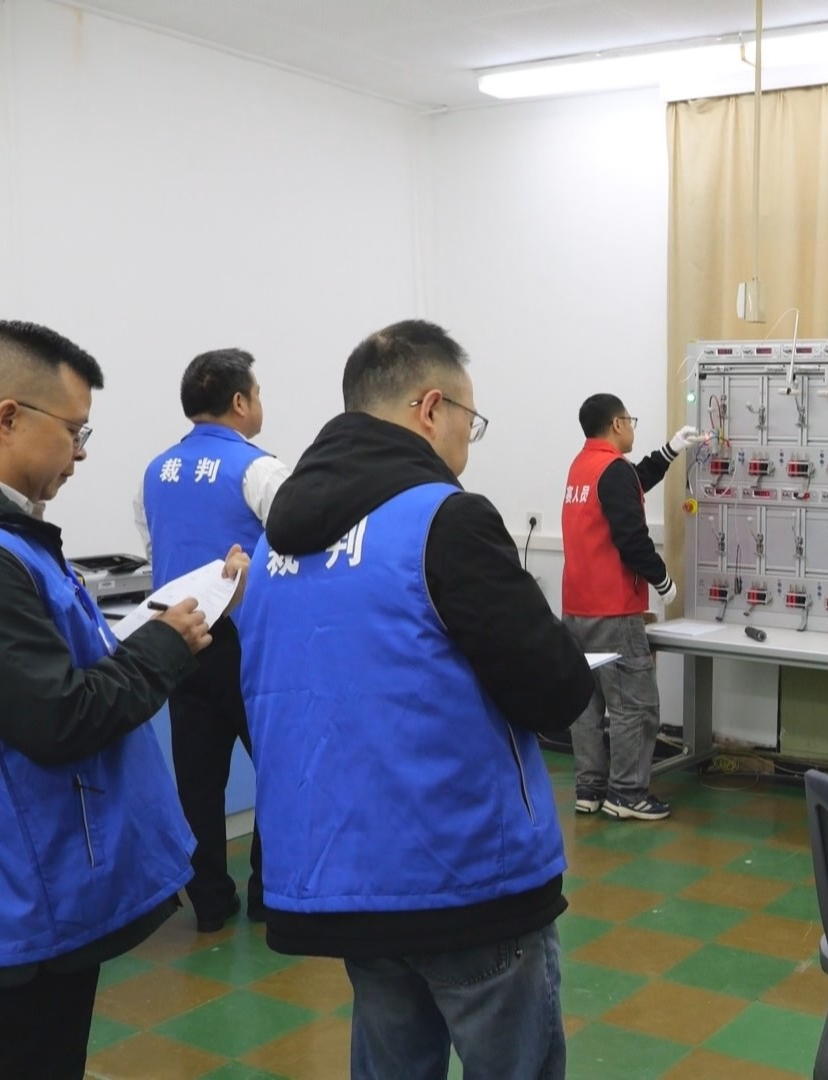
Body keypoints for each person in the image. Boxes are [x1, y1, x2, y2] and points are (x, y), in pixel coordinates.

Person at [0, 320, 241, 1079]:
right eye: (74, 431)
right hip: (20, 891)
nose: (80, 453)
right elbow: (59, 716)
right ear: (7, 418)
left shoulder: (2, 538)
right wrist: (166, 645)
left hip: (43, 878)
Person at [236, 319, 594, 1080]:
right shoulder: (443, 521)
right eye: (470, 421)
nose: (468, 442)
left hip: (346, 881)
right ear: (431, 409)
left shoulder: (275, 545)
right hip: (465, 876)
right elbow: (556, 688)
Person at [134, 348, 288, 931]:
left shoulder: (155, 472)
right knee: (278, 766)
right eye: (258, 393)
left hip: (180, 643)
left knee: (197, 780)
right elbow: (297, 547)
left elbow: (155, 547)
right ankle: (270, 896)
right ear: (241, 402)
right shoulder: (260, 470)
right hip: (249, 647)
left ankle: (211, 904)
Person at [560, 393, 703, 820]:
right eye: (631, 420)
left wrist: (670, 450)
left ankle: (590, 789)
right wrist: (663, 580)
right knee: (634, 706)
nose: (632, 427)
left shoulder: (582, 467)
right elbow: (632, 537)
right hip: (613, 614)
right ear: (618, 424)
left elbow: (632, 483)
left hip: (576, 612)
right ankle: (626, 794)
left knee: (587, 705)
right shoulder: (613, 470)